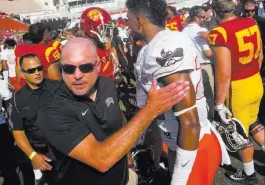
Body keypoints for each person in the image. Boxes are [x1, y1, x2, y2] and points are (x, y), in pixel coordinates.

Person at [37, 37, 190, 185]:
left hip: (125, 178)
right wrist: (149, 110)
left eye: (86, 67)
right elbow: (101, 160)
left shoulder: (107, 86)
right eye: (69, 69)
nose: (77, 75)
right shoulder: (52, 110)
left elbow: (119, 122)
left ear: (98, 66)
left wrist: (129, 165)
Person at [126, 0, 226, 185]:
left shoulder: (163, 47)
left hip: (192, 145)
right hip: (177, 144)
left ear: (139, 20)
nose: (127, 25)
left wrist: (180, 179)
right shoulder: (150, 48)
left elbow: (189, 121)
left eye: (129, 19)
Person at [208, 0, 265, 183]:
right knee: (253, 122)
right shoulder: (250, 21)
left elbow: (223, 73)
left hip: (238, 87)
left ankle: (249, 174)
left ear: (216, 12)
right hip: (255, 80)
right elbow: (260, 56)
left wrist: (218, 103)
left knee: (239, 133)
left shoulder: (219, 33)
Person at [10, 54, 59, 185]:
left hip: (68, 149)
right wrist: (33, 156)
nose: (37, 73)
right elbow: (18, 132)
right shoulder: (18, 99)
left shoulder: (59, 88)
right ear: (23, 73)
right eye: (31, 70)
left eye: (39, 68)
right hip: (44, 155)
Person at [183, 7, 215, 121]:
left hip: (191, 67)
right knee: (209, 95)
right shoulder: (200, 30)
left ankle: (202, 119)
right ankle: (211, 119)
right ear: (196, 18)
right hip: (204, 66)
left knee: (197, 96)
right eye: (203, 17)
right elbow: (208, 52)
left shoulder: (184, 31)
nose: (204, 19)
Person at [14, 23, 62, 88]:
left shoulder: (19, 48)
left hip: (25, 90)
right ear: (44, 37)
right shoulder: (48, 52)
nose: (51, 35)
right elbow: (56, 81)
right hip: (44, 92)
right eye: (49, 33)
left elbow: (19, 77)